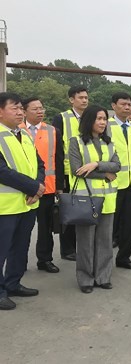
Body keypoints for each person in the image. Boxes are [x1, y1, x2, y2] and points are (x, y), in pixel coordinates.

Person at [0, 92, 45, 310]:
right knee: (2, 249)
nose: (19, 112)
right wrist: (33, 187)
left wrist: (38, 186)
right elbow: (2, 171)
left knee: (20, 247)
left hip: (28, 203)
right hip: (5, 206)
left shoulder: (24, 134)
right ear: (0, 111)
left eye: (20, 108)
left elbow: (40, 164)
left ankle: (13, 283)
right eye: (14, 108)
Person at [69, 105, 120, 293]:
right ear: (89, 120)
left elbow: (117, 165)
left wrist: (96, 164)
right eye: (99, 118)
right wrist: (104, 174)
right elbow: (77, 170)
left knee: (105, 241)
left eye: (105, 119)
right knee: (85, 242)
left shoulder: (109, 143)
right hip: (86, 200)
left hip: (107, 200)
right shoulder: (76, 142)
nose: (102, 122)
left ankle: (103, 276)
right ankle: (85, 278)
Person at [21, 98, 64, 273]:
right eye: (35, 109)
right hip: (22, 189)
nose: (40, 112)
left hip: (47, 187)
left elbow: (59, 159)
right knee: (22, 229)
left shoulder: (53, 131)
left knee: (46, 228)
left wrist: (60, 185)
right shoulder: (15, 130)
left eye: (42, 109)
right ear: (24, 112)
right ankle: (19, 262)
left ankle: (45, 260)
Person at [106, 92, 131, 270]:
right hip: (112, 183)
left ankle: (124, 257)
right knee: (109, 225)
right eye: (123, 104)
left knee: (130, 224)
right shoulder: (106, 126)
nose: (127, 107)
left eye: (129, 104)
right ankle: (104, 260)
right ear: (114, 106)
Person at [52, 85, 89, 261]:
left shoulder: (91, 117)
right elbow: (56, 150)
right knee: (68, 212)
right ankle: (67, 249)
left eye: (86, 98)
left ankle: (80, 246)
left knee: (84, 211)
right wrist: (59, 182)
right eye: (80, 97)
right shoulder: (61, 118)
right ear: (71, 100)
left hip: (87, 172)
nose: (84, 100)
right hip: (68, 173)